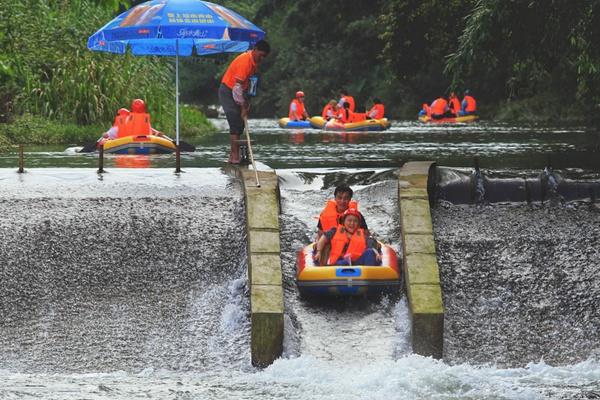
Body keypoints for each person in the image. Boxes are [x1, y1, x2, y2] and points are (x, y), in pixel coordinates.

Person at [218, 39, 270, 164]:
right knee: (235, 120)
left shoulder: (254, 64)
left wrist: (246, 105)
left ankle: (233, 155)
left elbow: (249, 86)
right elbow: (237, 89)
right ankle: (235, 156)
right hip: (228, 90)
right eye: (260, 55)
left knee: (240, 123)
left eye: (264, 57)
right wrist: (242, 106)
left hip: (240, 92)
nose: (261, 58)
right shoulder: (245, 62)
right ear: (255, 49)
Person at [314, 208, 381, 266]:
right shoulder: (334, 231)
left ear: (358, 224)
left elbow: (371, 245)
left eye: (355, 221)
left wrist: (376, 254)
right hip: (338, 263)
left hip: (357, 263)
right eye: (349, 220)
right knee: (343, 263)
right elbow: (323, 238)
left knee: (369, 252)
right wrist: (319, 251)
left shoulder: (362, 235)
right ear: (343, 222)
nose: (352, 223)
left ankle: (370, 278)